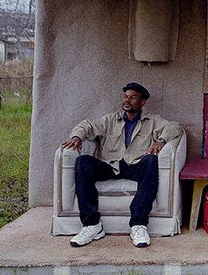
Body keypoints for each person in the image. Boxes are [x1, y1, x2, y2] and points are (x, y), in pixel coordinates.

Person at [61, 82, 182, 248]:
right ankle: (91, 225)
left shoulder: (152, 120)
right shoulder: (110, 119)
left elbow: (175, 127)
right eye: (125, 96)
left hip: (136, 165)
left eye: (133, 97)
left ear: (142, 102)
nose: (127, 100)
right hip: (111, 165)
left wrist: (161, 140)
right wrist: (77, 136)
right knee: (82, 162)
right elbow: (88, 125)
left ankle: (138, 224)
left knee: (151, 160)